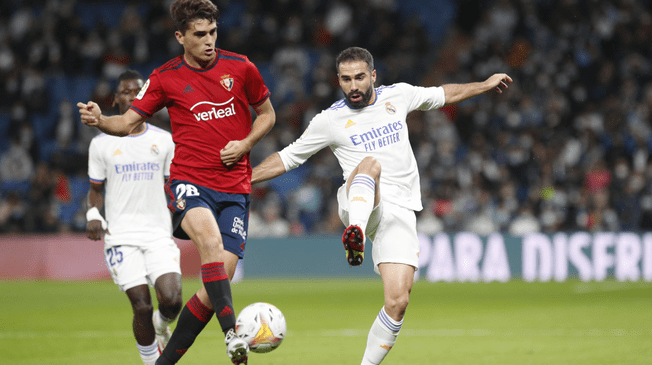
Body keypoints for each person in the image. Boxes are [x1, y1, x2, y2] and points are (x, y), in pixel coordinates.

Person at [252, 46, 512, 364]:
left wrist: (483, 85)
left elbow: (443, 94)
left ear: (373, 76)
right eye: (346, 79)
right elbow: (288, 157)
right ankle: (356, 234)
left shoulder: (398, 96)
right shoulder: (330, 120)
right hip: (358, 199)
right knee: (370, 164)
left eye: (360, 77)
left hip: (399, 209)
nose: (353, 85)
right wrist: (243, 179)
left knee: (398, 301)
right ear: (339, 81)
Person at [77, 1, 276, 364]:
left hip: (235, 188)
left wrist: (246, 143)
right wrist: (101, 120)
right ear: (180, 37)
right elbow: (125, 124)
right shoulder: (165, 77)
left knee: (216, 286)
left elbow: (267, 114)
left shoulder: (241, 67)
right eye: (200, 35)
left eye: (213, 32)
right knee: (211, 243)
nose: (209, 41)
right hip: (190, 182)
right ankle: (232, 335)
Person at [86, 69, 182, 365]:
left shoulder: (165, 141)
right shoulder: (101, 143)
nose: (132, 96)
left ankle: (161, 324)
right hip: (122, 237)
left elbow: (173, 186)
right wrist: (93, 213)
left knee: (173, 301)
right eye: (125, 92)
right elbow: (95, 189)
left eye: (138, 91)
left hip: (158, 235)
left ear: (148, 98)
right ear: (115, 100)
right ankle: (152, 361)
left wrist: (183, 206)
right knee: (141, 305)